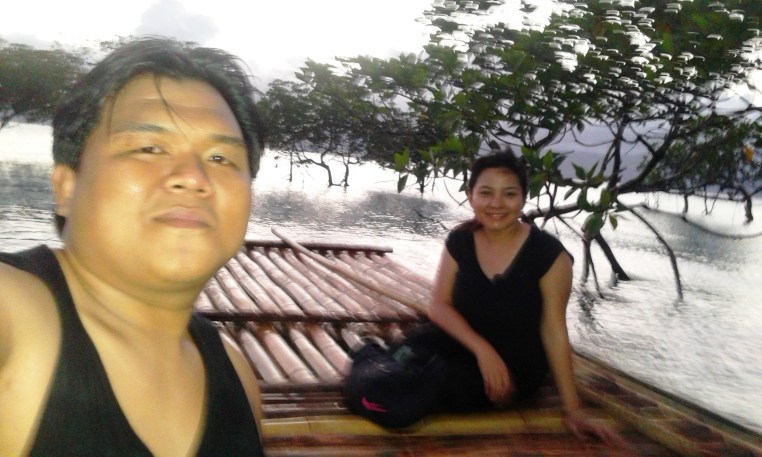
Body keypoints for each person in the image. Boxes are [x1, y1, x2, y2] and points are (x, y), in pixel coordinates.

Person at [0, 38, 266, 456]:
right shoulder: (15, 312)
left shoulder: (237, 374)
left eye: (220, 159)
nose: (193, 177)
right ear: (66, 188)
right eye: (149, 148)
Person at [345, 152, 623, 445]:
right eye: (486, 193)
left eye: (509, 194)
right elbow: (439, 305)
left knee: (413, 390)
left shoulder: (549, 256)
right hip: (459, 343)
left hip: (512, 367)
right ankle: (377, 360)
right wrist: (483, 350)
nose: (496, 203)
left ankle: (373, 363)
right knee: (405, 354)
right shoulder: (461, 241)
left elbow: (554, 331)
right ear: (471, 195)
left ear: (523, 198)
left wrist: (573, 410)